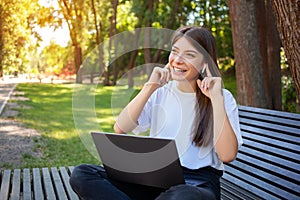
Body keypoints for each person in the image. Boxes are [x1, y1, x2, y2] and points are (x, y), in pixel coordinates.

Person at [70, 26, 243, 200]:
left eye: (189, 55)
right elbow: (120, 127)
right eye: (175, 52)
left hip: (197, 185)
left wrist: (216, 99)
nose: (178, 60)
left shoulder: (222, 98)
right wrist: (150, 86)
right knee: (82, 174)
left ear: (205, 63)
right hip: (155, 180)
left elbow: (227, 155)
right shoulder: (161, 92)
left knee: (181, 196)